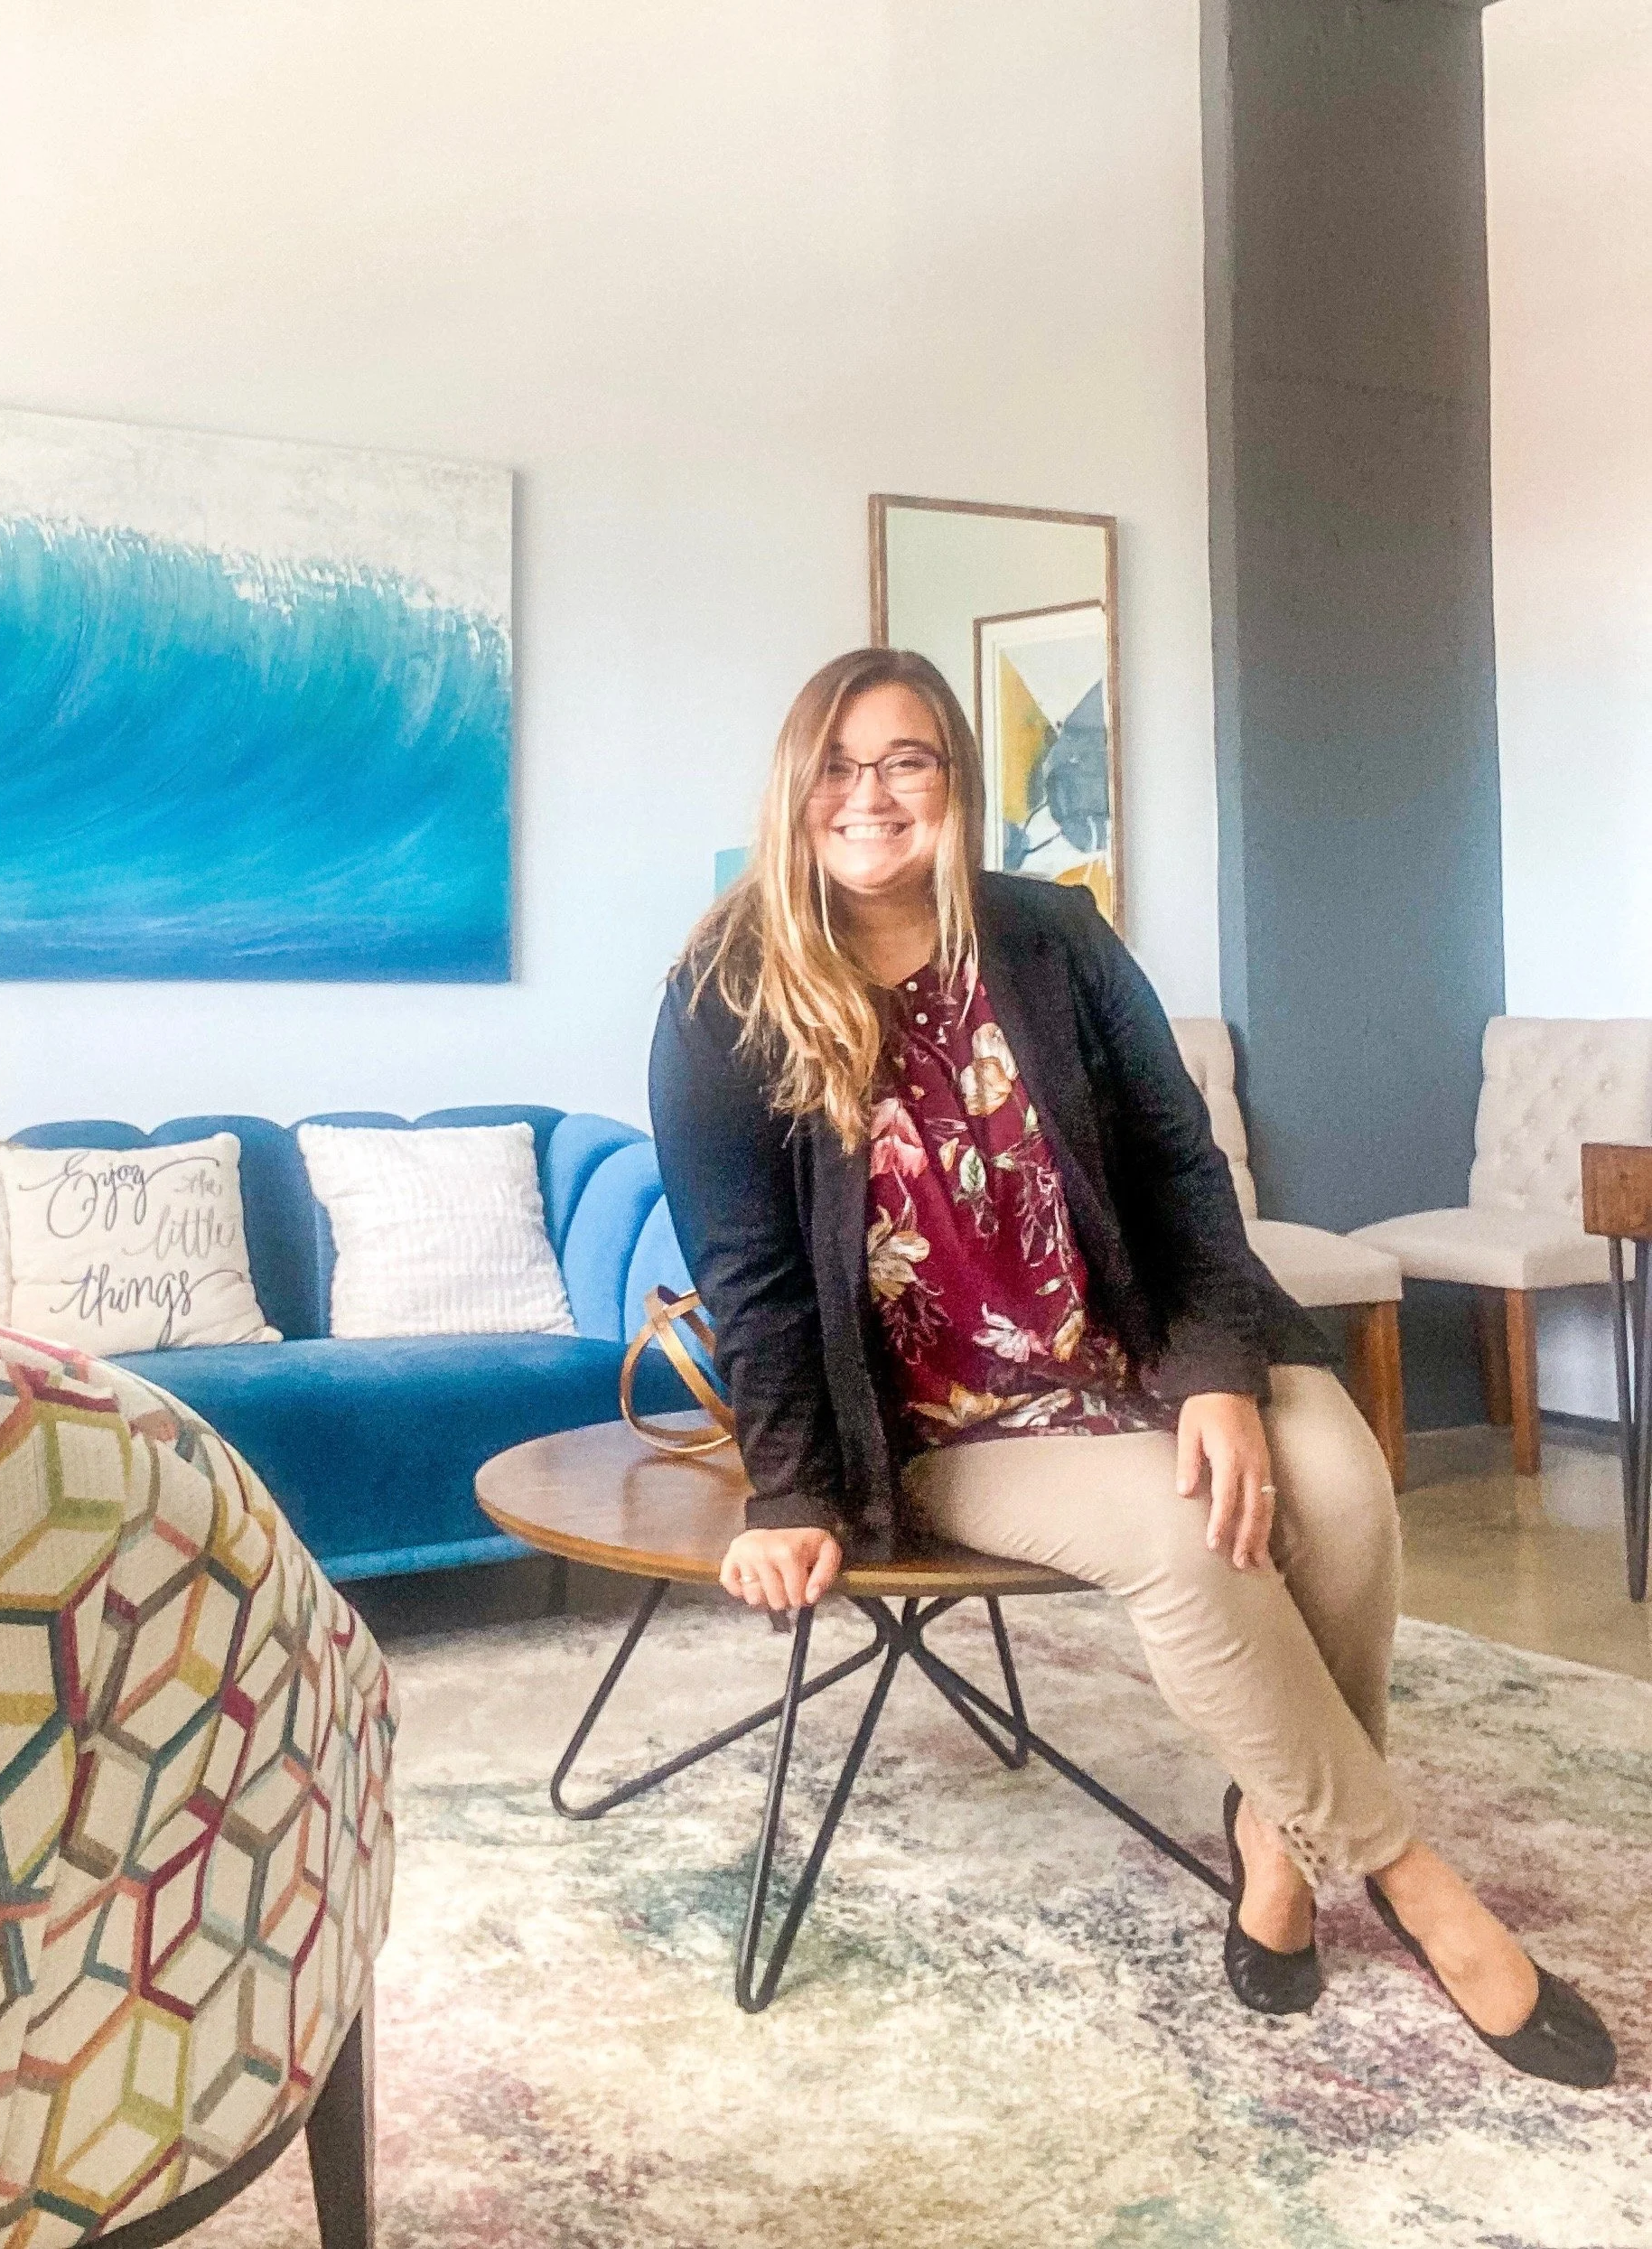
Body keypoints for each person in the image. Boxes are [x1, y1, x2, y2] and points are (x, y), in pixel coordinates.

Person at [648, 646, 1613, 2087]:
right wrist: (789, 1492)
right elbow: (755, 1279)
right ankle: (1413, 1880)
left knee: (1339, 1484)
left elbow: (1178, 1171)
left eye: (907, 759)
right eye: (839, 765)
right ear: (798, 790)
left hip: (1142, 1343)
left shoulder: (1055, 941)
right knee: (1194, 1534)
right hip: (949, 1414)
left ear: (956, 785)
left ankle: (1273, 1850)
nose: (872, 793)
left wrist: (1219, 1371)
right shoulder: (727, 991)